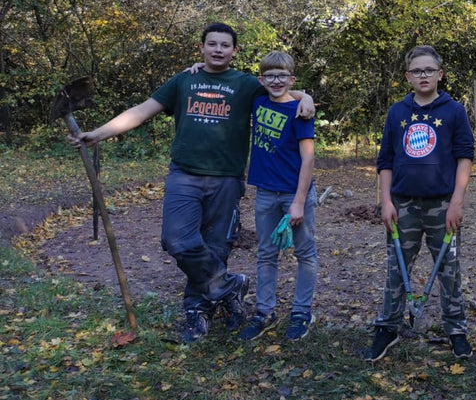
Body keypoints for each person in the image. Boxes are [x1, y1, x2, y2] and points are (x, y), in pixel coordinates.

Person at [68, 23, 314, 343]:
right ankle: (227, 286)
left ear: (234, 52)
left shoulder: (244, 84)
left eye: (225, 45)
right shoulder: (184, 80)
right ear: (201, 48)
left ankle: (197, 314)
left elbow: (279, 89)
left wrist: (305, 94)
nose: (218, 50)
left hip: (226, 179)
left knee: (215, 247)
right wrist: (97, 134)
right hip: (184, 175)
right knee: (177, 240)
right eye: (211, 44)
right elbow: (142, 111)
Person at [364, 46, 475, 361]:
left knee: (449, 270)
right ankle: (387, 328)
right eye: (417, 71)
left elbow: (464, 156)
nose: (423, 76)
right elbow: (385, 159)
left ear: (439, 74)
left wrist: (457, 201)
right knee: (397, 269)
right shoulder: (397, 112)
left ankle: (456, 331)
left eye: (429, 70)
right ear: (408, 77)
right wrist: (385, 201)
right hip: (403, 205)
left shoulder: (454, 111)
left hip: (442, 205)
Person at [237, 52, 318, 342]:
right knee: (266, 253)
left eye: (282, 75)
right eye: (269, 76)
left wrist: (298, 201)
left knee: (304, 253)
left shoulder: (301, 111)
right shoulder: (258, 101)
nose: (276, 80)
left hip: (296, 193)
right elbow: (223, 76)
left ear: (292, 79)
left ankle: (301, 312)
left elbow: (308, 160)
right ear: (261, 80)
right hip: (265, 193)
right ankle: (264, 312)